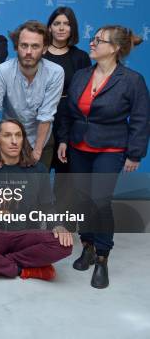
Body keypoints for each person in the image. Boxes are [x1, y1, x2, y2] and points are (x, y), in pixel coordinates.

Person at [57, 25, 149, 289]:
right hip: (78, 146)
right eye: (93, 39)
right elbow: (67, 111)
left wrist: (135, 154)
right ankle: (86, 246)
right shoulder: (81, 75)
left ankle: (101, 256)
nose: (93, 43)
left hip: (110, 149)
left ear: (116, 48)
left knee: (100, 201)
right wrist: (64, 139)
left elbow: (141, 120)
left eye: (99, 40)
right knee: (83, 199)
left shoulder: (132, 80)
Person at [0, 119, 73, 280]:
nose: (14, 141)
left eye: (18, 136)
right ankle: (23, 269)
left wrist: (58, 225)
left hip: (25, 234)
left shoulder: (37, 169)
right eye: (7, 135)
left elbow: (48, 206)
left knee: (64, 244)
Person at [0, 20, 64, 169]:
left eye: (35, 46)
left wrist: (37, 152)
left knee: (36, 188)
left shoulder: (55, 72)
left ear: (44, 49)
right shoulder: (3, 71)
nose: (28, 52)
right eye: (24, 45)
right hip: (9, 138)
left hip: (41, 139)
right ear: (16, 47)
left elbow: (46, 115)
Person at [43, 7, 91, 215]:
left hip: (70, 119)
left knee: (66, 176)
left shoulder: (80, 57)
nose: (62, 28)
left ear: (73, 28)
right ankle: (30, 224)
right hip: (41, 117)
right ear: (49, 27)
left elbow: (85, 94)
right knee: (37, 173)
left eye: (66, 23)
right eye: (57, 23)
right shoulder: (39, 52)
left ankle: (62, 223)